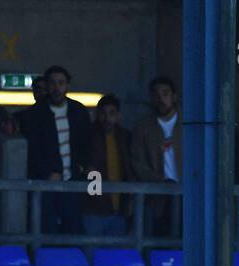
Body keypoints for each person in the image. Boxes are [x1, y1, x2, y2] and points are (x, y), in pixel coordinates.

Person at [19, 64, 91, 236]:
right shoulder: (34, 115)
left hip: (72, 181)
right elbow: (32, 152)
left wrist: (81, 167)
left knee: (73, 230)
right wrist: (47, 173)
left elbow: (86, 142)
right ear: (47, 86)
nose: (57, 88)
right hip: (45, 184)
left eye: (61, 83)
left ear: (67, 86)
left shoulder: (78, 111)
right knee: (47, 231)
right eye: (53, 83)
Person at [128, 75, 181, 237]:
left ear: (174, 97)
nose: (161, 98)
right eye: (156, 94)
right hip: (155, 197)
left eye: (165, 93)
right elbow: (137, 163)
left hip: (186, 195)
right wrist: (159, 182)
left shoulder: (189, 125)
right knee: (158, 243)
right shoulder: (143, 127)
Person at [82, 93, 132, 238]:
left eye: (112, 113)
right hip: (93, 209)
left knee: (115, 257)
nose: (107, 118)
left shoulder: (126, 138)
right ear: (97, 115)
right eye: (103, 113)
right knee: (93, 256)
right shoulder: (87, 136)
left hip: (119, 209)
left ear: (118, 116)